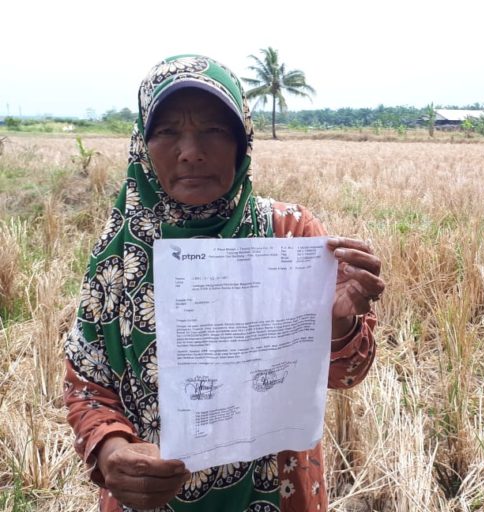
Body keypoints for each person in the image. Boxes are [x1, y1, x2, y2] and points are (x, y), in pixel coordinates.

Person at [63, 54, 384, 512]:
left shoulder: (289, 236)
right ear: (142, 143)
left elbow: (347, 375)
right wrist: (112, 450)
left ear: (241, 141)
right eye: (168, 131)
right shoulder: (119, 253)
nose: (190, 150)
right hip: (151, 498)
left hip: (278, 490)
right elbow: (86, 383)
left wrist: (336, 325)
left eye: (213, 129)